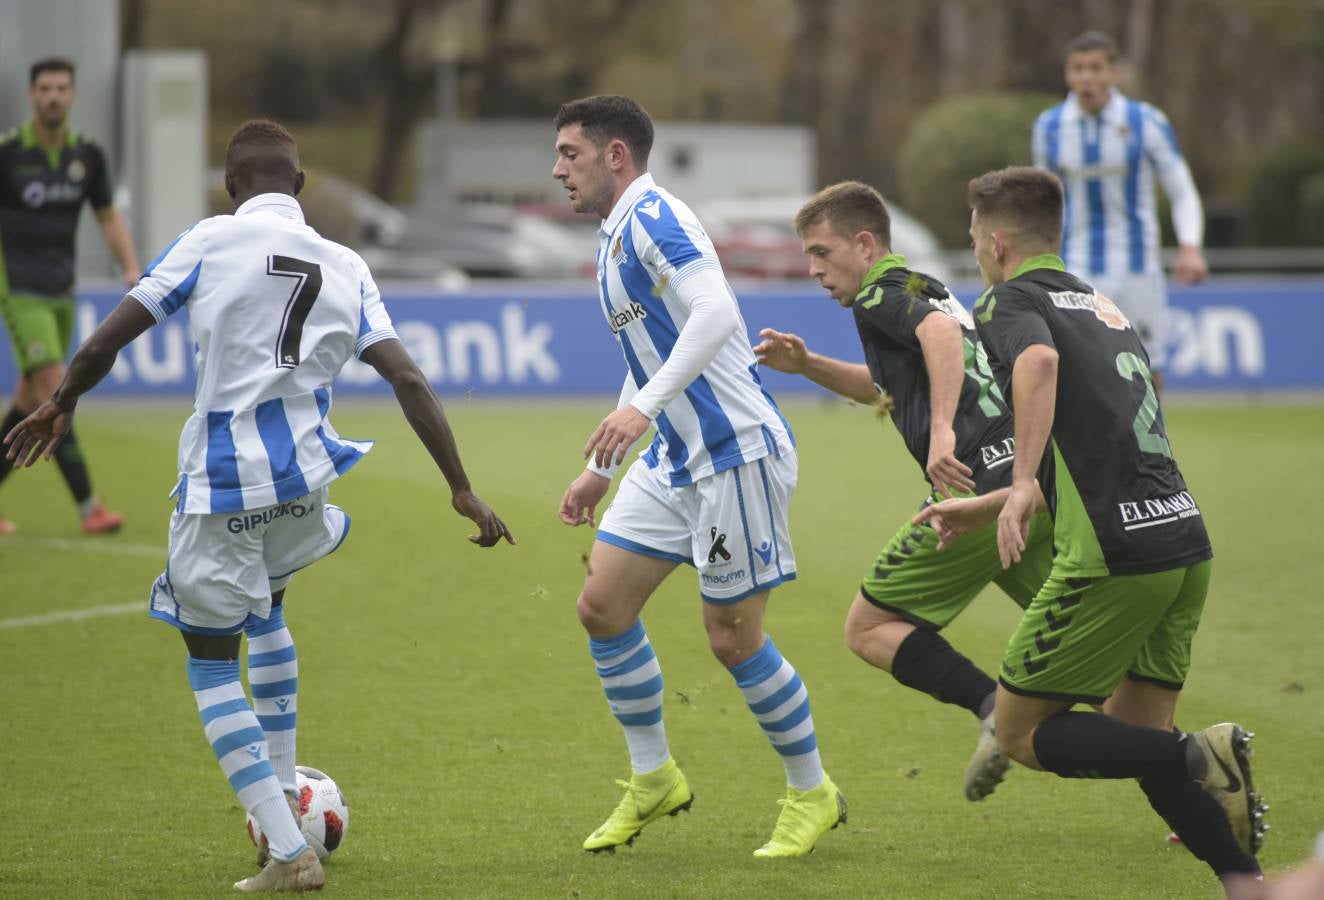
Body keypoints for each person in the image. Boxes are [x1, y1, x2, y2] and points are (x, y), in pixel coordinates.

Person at [4, 119, 513, 892]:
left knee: (211, 663)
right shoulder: (347, 263)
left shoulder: (211, 239)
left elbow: (108, 340)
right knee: (268, 610)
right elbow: (409, 379)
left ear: (230, 187)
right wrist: (461, 488)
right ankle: (282, 789)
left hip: (224, 484)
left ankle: (287, 847)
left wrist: (61, 401)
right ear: (300, 187)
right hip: (304, 482)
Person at [915, 165, 1263, 896]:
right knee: (1141, 741)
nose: (975, 250)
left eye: (974, 237)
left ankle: (1201, 756)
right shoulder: (1101, 305)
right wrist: (993, 503)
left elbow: (1037, 363)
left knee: (1018, 732)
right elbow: (1097, 450)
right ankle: (1246, 881)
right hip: (1181, 540)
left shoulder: (1007, 300)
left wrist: (1017, 484)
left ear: (998, 242)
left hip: (1113, 555)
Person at [551, 95, 845, 859]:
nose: (558, 170)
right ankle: (655, 778)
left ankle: (812, 792)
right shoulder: (615, 236)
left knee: (732, 640)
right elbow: (652, 356)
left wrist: (641, 412)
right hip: (673, 460)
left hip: (733, 454)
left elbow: (715, 313)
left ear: (616, 155)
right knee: (602, 606)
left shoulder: (656, 218)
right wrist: (599, 468)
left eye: (570, 154)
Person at [752, 180, 1054, 802]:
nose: (813, 270)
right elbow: (887, 386)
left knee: (869, 627)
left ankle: (994, 708)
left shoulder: (878, 294)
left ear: (865, 245)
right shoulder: (921, 285)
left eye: (822, 252)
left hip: (975, 488)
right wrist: (808, 365)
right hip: (1029, 486)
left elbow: (939, 339)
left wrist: (942, 431)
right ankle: (1185, 762)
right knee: (1075, 637)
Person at [0, 57, 140, 535]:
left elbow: (108, 217)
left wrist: (130, 267)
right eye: (45, 89)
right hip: (19, 289)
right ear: (32, 95)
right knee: (56, 387)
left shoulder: (88, 156)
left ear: (73, 95)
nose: (54, 97)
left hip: (63, 290)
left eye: (61, 88)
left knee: (28, 400)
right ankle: (88, 507)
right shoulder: (9, 154)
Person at [1032, 30, 1207, 390]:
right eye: (1078, 68)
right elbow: (1042, 202)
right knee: (1072, 368)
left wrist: (1190, 247)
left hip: (1137, 268)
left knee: (1147, 367)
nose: (1087, 77)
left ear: (1113, 73)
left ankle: (1153, 430)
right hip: (1075, 268)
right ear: (1067, 74)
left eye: (1095, 68)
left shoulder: (1146, 121)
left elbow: (1182, 191)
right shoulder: (1049, 127)